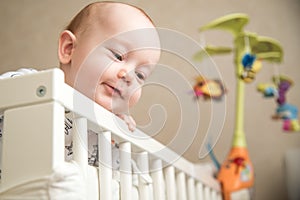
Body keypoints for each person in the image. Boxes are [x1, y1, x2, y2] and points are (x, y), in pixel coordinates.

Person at [0, 1, 161, 171]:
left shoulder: (107, 133)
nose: (129, 76)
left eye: (140, 75)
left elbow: (125, 184)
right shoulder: (28, 85)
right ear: (69, 49)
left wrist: (119, 134)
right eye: (118, 56)